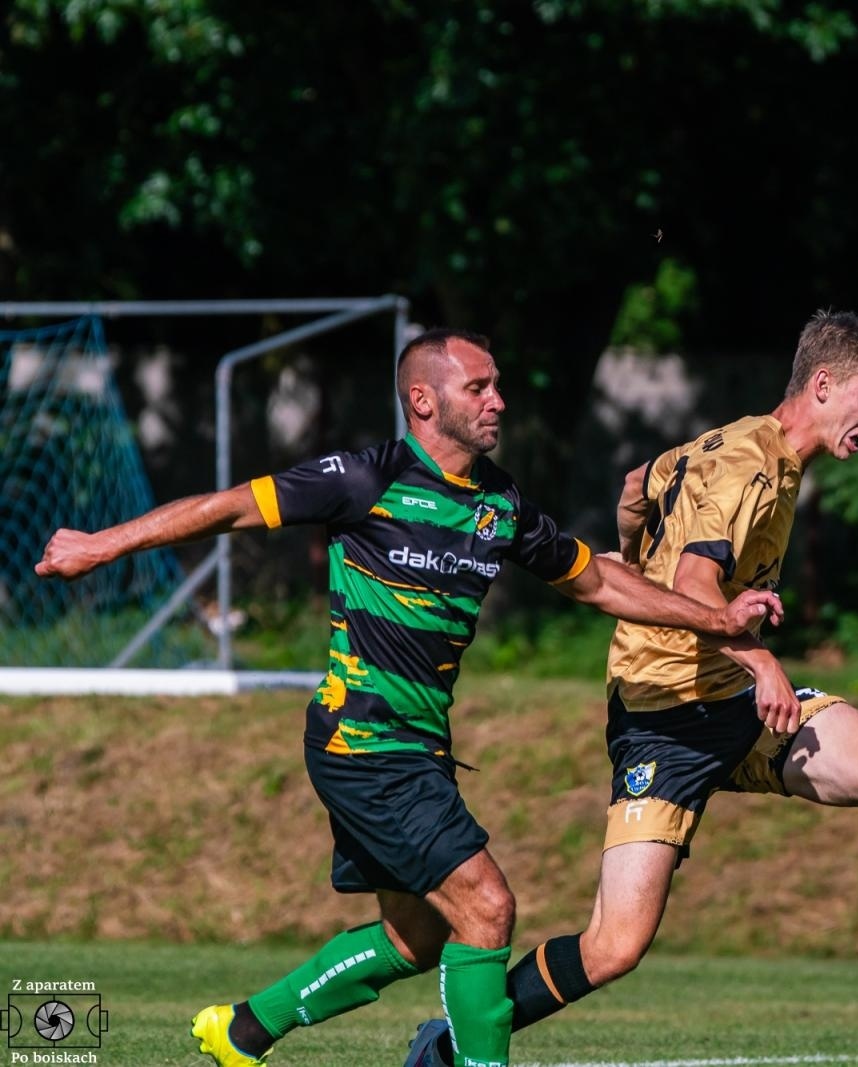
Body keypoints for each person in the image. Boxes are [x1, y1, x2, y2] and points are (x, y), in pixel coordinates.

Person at [33, 328, 784, 1067]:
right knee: (486, 907)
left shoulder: (498, 502)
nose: (497, 400)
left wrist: (716, 619)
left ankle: (244, 1030)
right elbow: (229, 507)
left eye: (497, 385)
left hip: (417, 748)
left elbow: (597, 581)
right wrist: (102, 544)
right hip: (364, 741)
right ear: (423, 400)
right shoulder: (364, 480)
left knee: (416, 937)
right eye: (478, 387)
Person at [402, 311, 858, 1067]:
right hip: (664, 716)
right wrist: (761, 662)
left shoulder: (735, 448)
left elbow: (637, 486)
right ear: (823, 384)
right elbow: (695, 583)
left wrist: (635, 549)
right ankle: (450, 1044)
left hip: (737, 705)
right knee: (614, 945)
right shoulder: (749, 463)